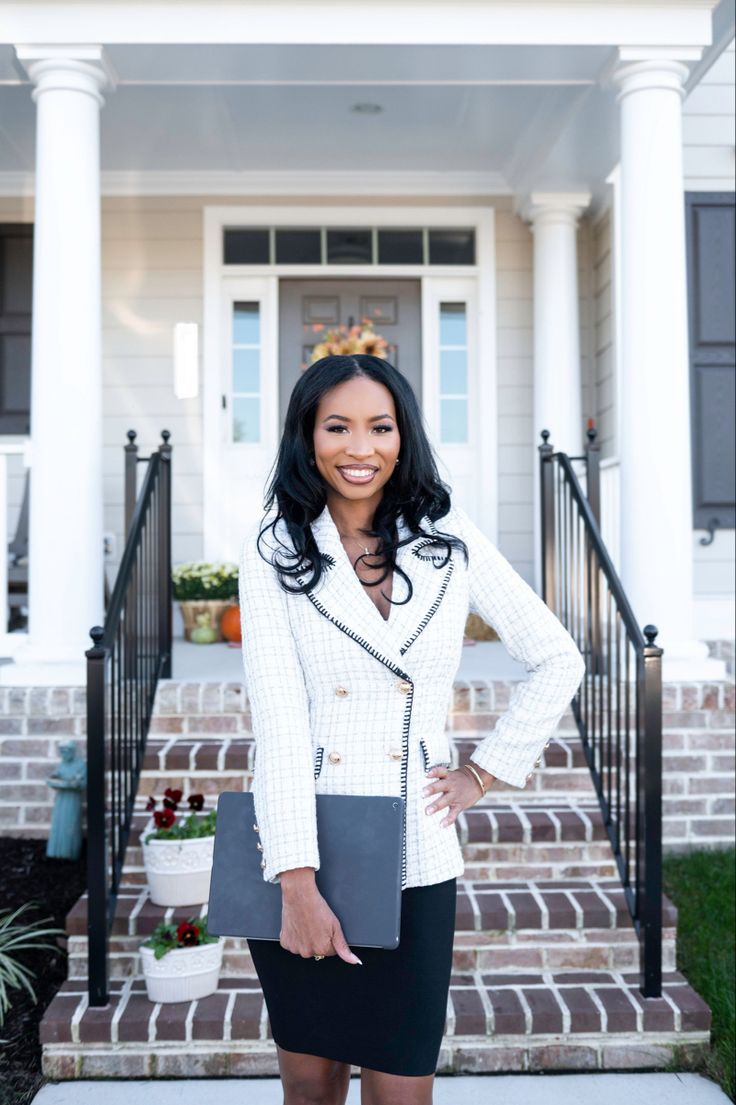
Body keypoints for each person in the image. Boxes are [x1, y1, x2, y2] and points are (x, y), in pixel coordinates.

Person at [238, 354, 585, 1105]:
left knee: (402, 1085)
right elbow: (281, 724)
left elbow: (558, 655)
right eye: (338, 426)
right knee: (311, 1080)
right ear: (308, 436)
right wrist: (297, 882)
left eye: (379, 426)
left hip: (416, 851)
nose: (359, 448)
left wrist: (483, 771)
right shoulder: (274, 548)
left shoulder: (445, 533)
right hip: (309, 845)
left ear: (404, 437)